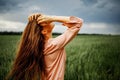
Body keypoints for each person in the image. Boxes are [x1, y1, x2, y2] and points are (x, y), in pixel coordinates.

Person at [6, 13, 83, 80]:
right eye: (44, 21)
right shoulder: (53, 44)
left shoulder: (39, 47)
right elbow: (78, 23)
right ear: (44, 31)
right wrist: (52, 18)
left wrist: (36, 17)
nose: (47, 19)